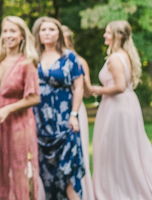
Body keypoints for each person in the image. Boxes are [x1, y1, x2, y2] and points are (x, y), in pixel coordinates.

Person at [91, 20, 152, 200]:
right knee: (128, 148)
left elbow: (120, 86)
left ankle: (119, 190)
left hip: (117, 107)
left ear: (119, 36)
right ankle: (124, 185)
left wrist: (97, 90)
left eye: (108, 33)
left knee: (115, 149)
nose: (104, 35)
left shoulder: (115, 58)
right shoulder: (124, 54)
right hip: (125, 105)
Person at [0, 16, 43, 200]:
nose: (8, 35)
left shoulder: (27, 63)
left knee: (18, 168)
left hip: (19, 122)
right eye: (5, 31)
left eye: (13, 31)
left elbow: (34, 97)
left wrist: (7, 109)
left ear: (22, 36)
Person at [33, 17, 85, 200]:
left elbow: (79, 86)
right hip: (38, 119)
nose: (46, 33)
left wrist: (74, 114)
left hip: (63, 118)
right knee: (43, 172)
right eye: (43, 29)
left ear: (59, 33)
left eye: (51, 29)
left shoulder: (69, 56)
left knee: (67, 172)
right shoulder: (32, 56)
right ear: (38, 34)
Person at [62, 26, 95, 200]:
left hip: (76, 109)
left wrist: (84, 81)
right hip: (57, 108)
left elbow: (87, 91)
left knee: (78, 149)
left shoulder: (79, 61)